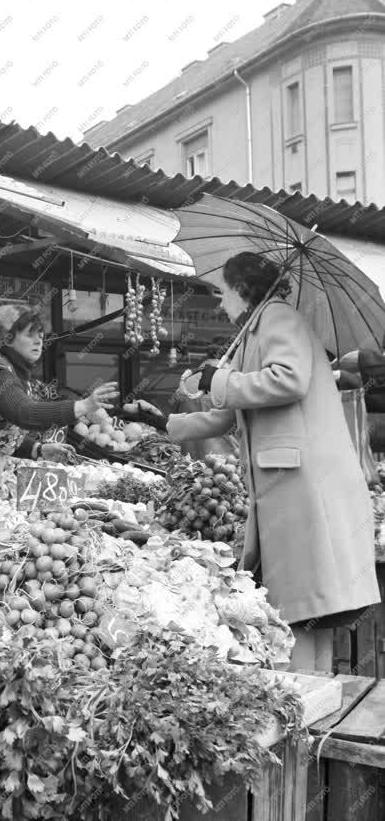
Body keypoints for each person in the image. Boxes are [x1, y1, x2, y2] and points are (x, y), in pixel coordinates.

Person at [129, 252, 380, 672]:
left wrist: (217, 380)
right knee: (300, 609)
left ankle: (309, 701)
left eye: (222, 293)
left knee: (299, 607)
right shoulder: (255, 330)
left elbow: (289, 380)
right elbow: (232, 413)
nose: (219, 303)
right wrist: (165, 422)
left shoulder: (280, 319)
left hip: (304, 487)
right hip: (288, 486)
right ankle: (317, 698)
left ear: (243, 290)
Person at [0, 303, 118, 461]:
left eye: (40, 335)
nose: (38, 341)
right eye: (30, 335)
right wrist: (84, 406)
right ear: (7, 339)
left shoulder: (16, 375)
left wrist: (37, 449)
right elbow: (24, 412)